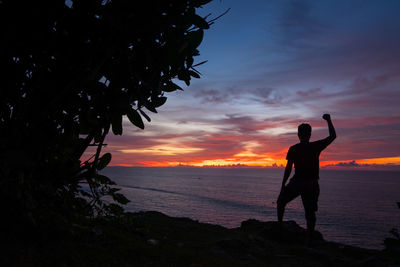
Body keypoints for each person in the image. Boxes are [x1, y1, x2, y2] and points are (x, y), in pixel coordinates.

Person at [277, 114, 336, 241]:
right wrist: (329, 120)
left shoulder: (294, 149)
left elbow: (288, 169)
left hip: (298, 182)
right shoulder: (315, 146)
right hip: (311, 184)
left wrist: (283, 185)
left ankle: (280, 228)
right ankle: (310, 236)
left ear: (298, 134)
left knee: (281, 202)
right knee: (310, 212)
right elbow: (333, 136)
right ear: (309, 134)